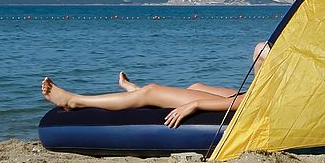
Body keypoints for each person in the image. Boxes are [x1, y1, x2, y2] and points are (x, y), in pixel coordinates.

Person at [41, 41, 270, 128]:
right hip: (259, 96)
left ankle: (75, 101)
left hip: (259, 105)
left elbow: (253, 103)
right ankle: (136, 91)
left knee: (152, 92)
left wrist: (196, 105)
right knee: (195, 85)